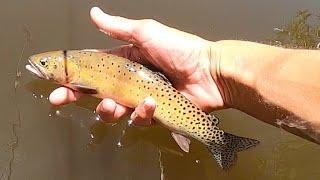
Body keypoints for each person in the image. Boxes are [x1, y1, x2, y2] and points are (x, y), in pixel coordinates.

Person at [49, 7, 320, 144]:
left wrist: (211, 69)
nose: (44, 66)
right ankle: (215, 140)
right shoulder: (81, 67)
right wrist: (212, 69)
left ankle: (219, 142)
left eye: (47, 64)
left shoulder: (81, 72)